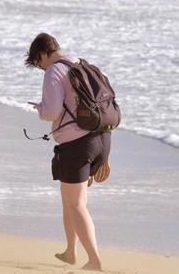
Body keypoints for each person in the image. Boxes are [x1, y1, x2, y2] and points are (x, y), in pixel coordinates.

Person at [26, 33, 109, 272]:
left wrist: (40, 109)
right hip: (99, 138)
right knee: (69, 200)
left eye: (38, 63)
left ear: (42, 54)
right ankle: (71, 251)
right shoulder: (80, 62)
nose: (42, 69)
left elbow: (52, 112)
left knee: (76, 205)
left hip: (77, 144)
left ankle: (94, 260)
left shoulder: (54, 71)